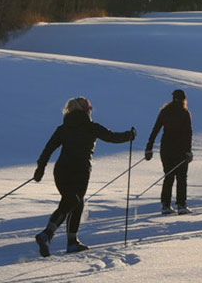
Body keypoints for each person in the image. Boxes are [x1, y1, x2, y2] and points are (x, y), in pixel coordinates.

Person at [34, 97, 135, 257]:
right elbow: (111, 137)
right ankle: (47, 235)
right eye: (90, 108)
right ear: (86, 110)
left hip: (61, 170)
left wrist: (40, 168)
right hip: (80, 171)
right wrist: (129, 135)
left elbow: (48, 148)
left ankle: (71, 242)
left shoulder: (63, 128)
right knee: (73, 201)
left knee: (74, 202)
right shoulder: (91, 127)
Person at [145, 89, 194, 215]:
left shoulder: (165, 111)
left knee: (169, 176)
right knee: (181, 177)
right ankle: (181, 205)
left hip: (166, 150)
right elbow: (188, 134)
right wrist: (188, 151)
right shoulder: (185, 113)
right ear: (184, 99)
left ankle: (166, 205)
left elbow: (155, 130)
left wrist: (149, 147)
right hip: (181, 150)